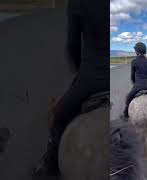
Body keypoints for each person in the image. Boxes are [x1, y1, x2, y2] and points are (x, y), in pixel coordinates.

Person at [32, 0, 108, 176]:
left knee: (58, 117)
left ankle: (51, 164)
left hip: (90, 78)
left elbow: (72, 46)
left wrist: (80, 72)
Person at [121, 42, 147, 118]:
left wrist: (136, 83)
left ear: (137, 51)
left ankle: (125, 114)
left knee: (128, 98)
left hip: (137, 86)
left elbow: (132, 77)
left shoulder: (134, 62)